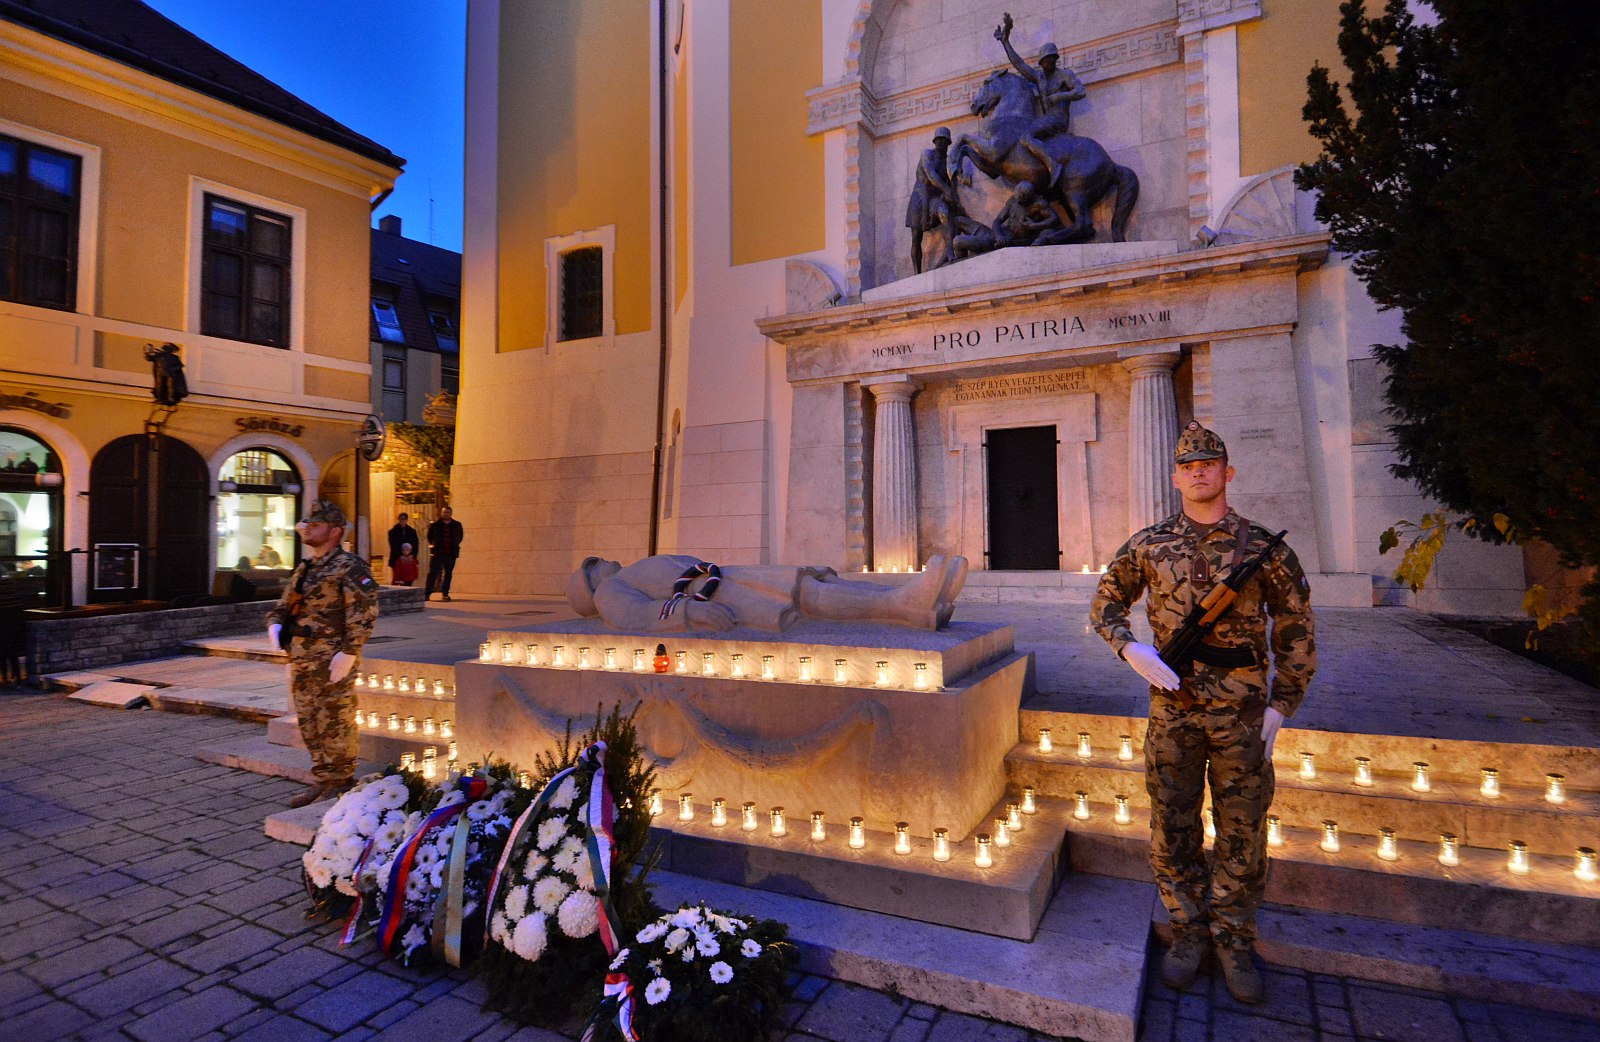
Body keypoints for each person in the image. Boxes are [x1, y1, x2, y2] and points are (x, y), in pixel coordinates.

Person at [1089, 422, 1315, 1005]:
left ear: (1227, 473)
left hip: (1242, 713)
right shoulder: (1149, 544)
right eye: (1188, 466)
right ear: (1175, 477)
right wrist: (1128, 646)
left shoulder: (1266, 548)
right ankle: (1188, 932)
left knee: (1242, 828)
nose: (1199, 473)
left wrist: (1281, 706)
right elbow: (1105, 600)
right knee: (1174, 823)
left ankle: (1235, 939)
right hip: (1174, 710)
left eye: (1209, 464)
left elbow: (1295, 629)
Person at [266, 500, 381, 808]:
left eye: (316, 525)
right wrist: (275, 624)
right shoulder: (306, 567)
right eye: (308, 524)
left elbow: (364, 613)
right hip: (302, 658)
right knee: (309, 720)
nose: (309, 528)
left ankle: (341, 780)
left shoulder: (350, 566)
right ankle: (323, 778)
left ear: (335, 531)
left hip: (331, 659)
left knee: (336, 720)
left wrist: (350, 652)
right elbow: (284, 604)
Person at [567, 553, 968, 633]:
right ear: (592, 583)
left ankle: (917, 606)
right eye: (594, 565)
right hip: (718, 595)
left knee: (815, 583)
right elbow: (639, 618)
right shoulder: (611, 593)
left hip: (721, 579)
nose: (603, 560)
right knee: (806, 596)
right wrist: (692, 614)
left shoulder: (626, 574)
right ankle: (903, 603)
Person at [995, 12, 1085, 191]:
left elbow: (1080, 91)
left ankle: (1053, 165)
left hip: (1058, 119)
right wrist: (1005, 42)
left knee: (1026, 137)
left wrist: (1061, 96)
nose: (1050, 62)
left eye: (1052, 59)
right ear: (1042, 62)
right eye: (1046, 60)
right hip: (1045, 121)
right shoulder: (1039, 78)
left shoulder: (1064, 76)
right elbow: (1019, 64)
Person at [906, 127, 963, 274]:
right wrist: (946, 190)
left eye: (944, 140)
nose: (940, 143)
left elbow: (952, 184)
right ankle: (916, 272)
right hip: (919, 197)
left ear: (948, 143)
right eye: (938, 140)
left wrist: (950, 194)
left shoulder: (948, 162)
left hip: (934, 199)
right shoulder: (927, 154)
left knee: (945, 213)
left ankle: (950, 251)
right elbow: (931, 175)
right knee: (916, 237)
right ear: (935, 141)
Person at [425, 506, 464, 602]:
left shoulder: (456, 525)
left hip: (451, 554)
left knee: (448, 574)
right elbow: (429, 536)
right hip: (438, 553)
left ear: (451, 513)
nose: (445, 514)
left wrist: (455, 544)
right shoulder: (435, 525)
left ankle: (445, 593)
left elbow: (460, 536)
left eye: (447, 512)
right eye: (444, 512)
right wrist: (434, 545)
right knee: (433, 573)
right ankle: (427, 594)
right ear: (441, 513)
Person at [387, 512, 419, 578]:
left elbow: (415, 544)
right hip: (397, 559)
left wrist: (412, 555)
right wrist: (400, 556)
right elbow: (393, 545)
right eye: (400, 519)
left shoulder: (412, 531)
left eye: (404, 519)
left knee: (409, 577)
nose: (402, 521)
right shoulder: (393, 532)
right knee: (398, 577)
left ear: (407, 520)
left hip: (410, 559)